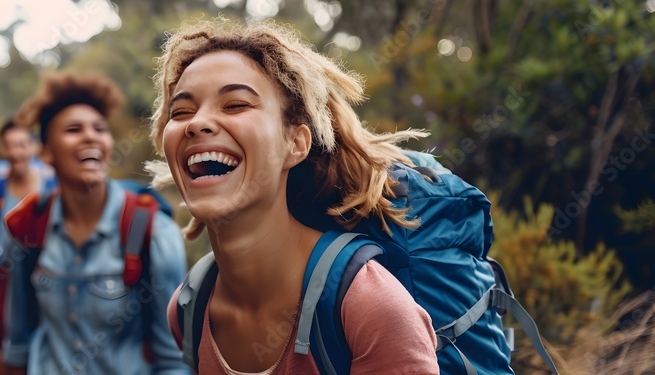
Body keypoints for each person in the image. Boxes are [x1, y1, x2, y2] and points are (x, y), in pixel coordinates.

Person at [147, 20, 440, 373]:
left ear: (296, 144)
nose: (197, 123)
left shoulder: (369, 307)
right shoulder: (189, 309)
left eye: (235, 105)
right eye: (181, 112)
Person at [0, 73, 189, 375]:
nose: (91, 137)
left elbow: (173, 359)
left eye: (100, 129)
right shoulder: (30, 225)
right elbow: (18, 340)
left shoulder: (149, 229)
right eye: (73, 129)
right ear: (46, 152)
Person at [0, 119, 53, 349]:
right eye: (9, 145)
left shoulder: (50, 187)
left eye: (22, 145)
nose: (15, 152)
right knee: (3, 337)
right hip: (5, 274)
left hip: (43, 274)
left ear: (33, 147)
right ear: (2, 148)